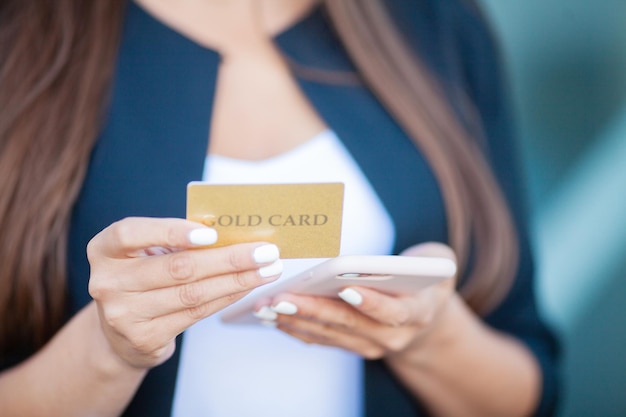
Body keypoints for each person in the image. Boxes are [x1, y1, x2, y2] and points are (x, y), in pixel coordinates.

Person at [0, 0, 559, 416]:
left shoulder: (435, 26)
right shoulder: (21, 34)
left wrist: (429, 337)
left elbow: (529, 387)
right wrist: (109, 350)